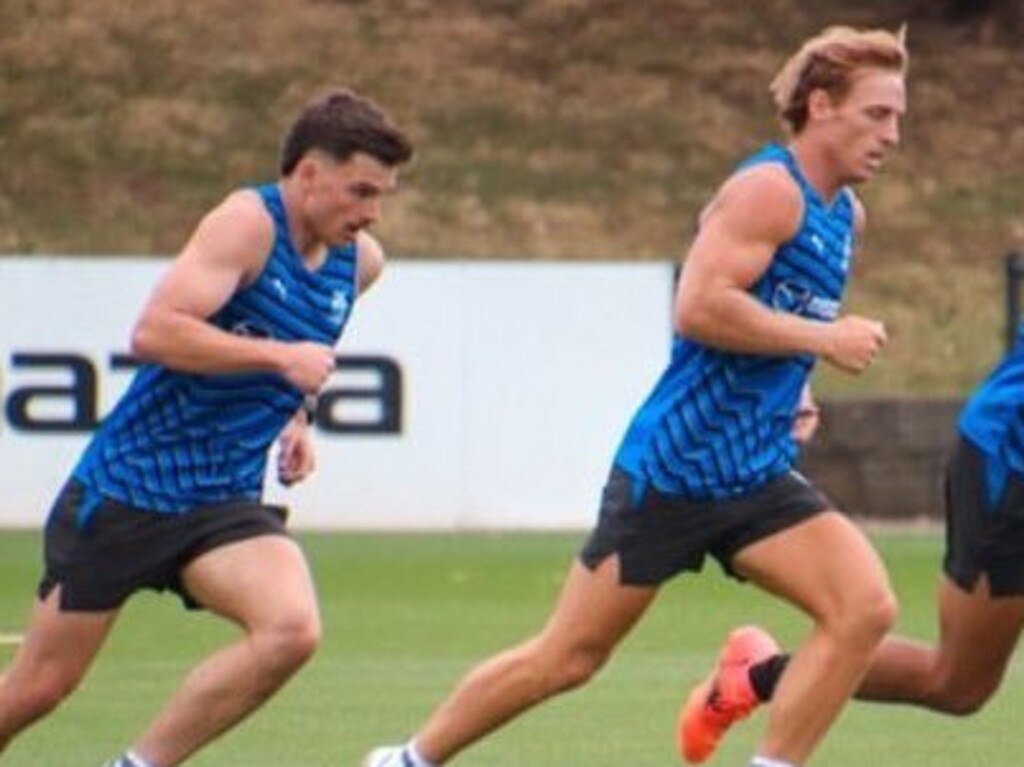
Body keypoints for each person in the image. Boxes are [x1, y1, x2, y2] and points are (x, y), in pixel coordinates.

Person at [364, 24, 907, 767]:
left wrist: (798, 383)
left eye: (899, 116)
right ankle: (407, 758)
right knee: (568, 657)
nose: (894, 134)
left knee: (863, 607)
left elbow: (781, 311)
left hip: (754, 471)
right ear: (820, 105)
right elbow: (699, 306)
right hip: (675, 472)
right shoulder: (767, 190)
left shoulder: (846, 216)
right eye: (878, 113)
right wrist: (822, 342)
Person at [0, 87, 413, 767]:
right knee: (39, 687)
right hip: (127, 493)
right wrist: (281, 358)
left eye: (381, 197)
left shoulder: (359, 261)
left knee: (291, 630)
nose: (370, 213)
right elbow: (156, 331)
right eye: (360, 191)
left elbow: (304, 349)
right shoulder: (245, 224)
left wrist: (298, 416)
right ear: (309, 172)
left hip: (220, 501)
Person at [681, 326, 1024, 760]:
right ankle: (755, 677)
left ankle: (755, 679)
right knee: (957, 682)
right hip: (1010, 464)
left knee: (962, 686)